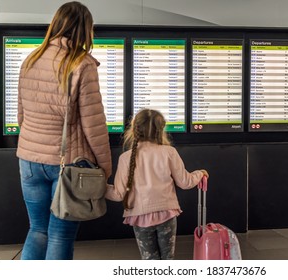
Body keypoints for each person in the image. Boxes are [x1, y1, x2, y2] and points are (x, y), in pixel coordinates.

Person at [17, 1, 112, 260]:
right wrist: (105, 167)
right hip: (67, 164)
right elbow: (94, 125)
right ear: (84, 29)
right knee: (60, 235)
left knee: (37, 230)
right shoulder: (82, 64)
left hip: (27, 159)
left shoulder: (31, 58)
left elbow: (21, 114)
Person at [106, 109, 209, 260]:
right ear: (161, 130)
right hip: (167, 213)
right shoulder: (169, 152)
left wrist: (99, 188)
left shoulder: (125, 158)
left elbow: (118, 194)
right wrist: (200, 173)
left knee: (150, 261)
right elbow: (185, 182)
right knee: (168, 258)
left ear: (134, 129)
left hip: (140, 216)